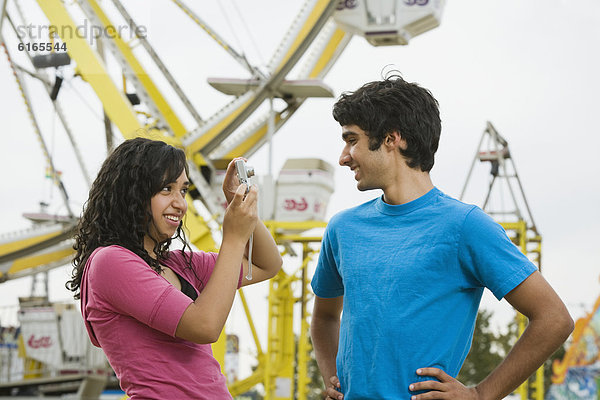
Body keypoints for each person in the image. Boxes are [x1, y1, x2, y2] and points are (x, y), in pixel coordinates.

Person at [310, 74, 574, 400]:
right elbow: (324, 318)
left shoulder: (465, 226)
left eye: (352, 140)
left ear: (393, 139)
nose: (343, 156)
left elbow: (554, 319)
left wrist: (481, 394)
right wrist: (333, 379)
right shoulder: (342, 229)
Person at [66, 137, 282, 399]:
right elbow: (205, 327)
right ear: (132, 194)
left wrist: (237, 203)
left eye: (183, 190)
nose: (180, 203)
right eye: (166, 189)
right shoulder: (109, 262)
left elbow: (268, 264)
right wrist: (234, 237)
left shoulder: (179, 263)